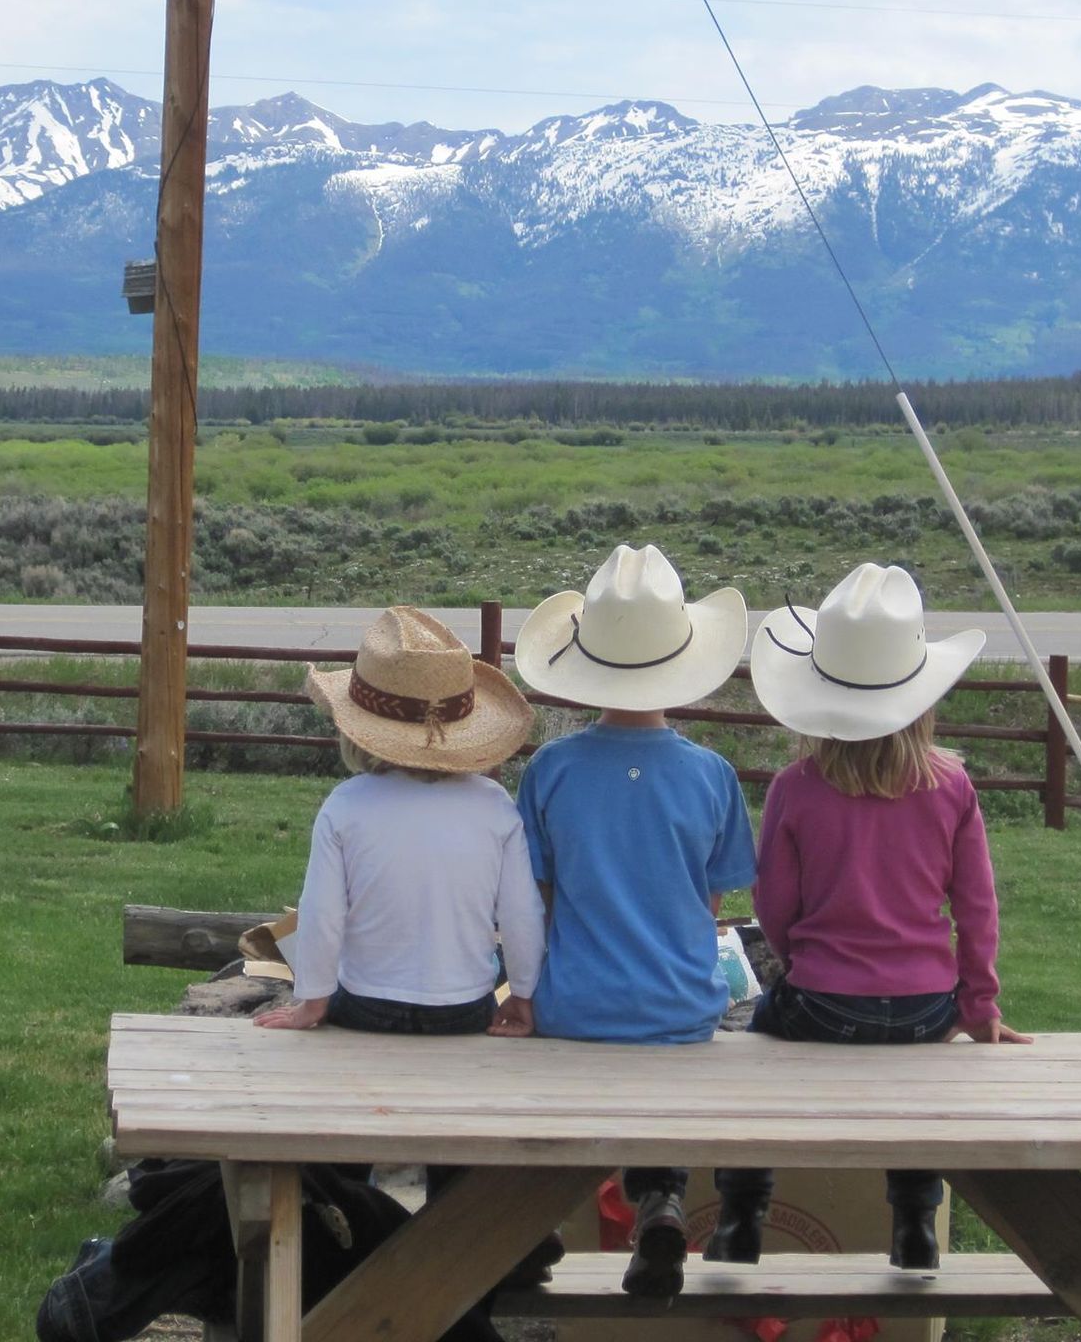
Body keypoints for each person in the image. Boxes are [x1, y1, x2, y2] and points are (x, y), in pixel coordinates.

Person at [731, 562, 1032, 1272]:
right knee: (918, 1094)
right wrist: (979, 1002)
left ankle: (742, 1210)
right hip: (928, 1006)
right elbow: (976, 906)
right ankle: (915, 1219)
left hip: (821, 1003)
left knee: (753, 1067)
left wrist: (799, 962)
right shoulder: (951, 786)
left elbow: (773, 903)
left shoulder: (795, 788)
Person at [252, 605, 549, 1233]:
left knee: (345, 1128)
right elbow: (521, 914)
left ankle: (344, 1217)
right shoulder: (494, 806)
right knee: (457, 1137)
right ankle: (455, 1235)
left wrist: (311, 998)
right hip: (463, 1008)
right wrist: (521, 994)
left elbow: (324, 917)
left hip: (366, 1005)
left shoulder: (347, 806)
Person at [511, 543, 755, 1299]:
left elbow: (535, 899)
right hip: (681, 1004)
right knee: (673, 1055)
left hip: (573, 1003)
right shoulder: (712, 774)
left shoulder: (550, 769)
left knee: (540, 1077)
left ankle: (527, 1218)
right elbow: (712, 906)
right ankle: (663, 1198)